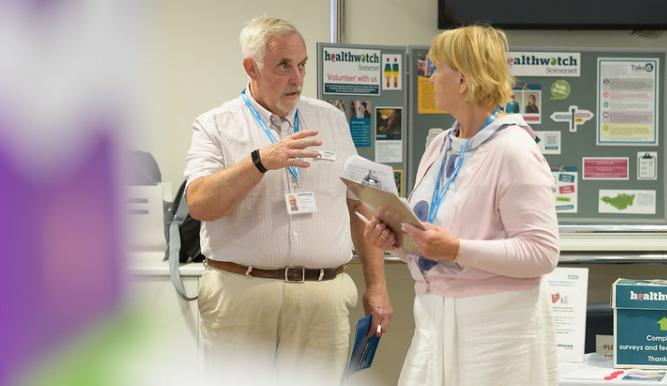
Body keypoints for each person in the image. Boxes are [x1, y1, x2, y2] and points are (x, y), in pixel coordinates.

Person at [184, 16, 392, 384]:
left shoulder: (331, 120)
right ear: (251, 67)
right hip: (242, 298)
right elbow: (199, 203)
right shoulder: (216, 124)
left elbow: (357, 204)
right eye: (283, 66)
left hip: (322, 300)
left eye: (302, 65)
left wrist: (377, 286)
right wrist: (260, 162)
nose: (297, 78)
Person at [363, 25, 559, 385]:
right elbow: (431, 243)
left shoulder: (513, 150)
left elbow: (542, 253)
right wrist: (399, 243)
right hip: (433, 320)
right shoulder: (440, 147)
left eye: (437, 69)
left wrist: (456, 248)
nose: (431, 78)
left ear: (464, 81)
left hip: (497, 333)